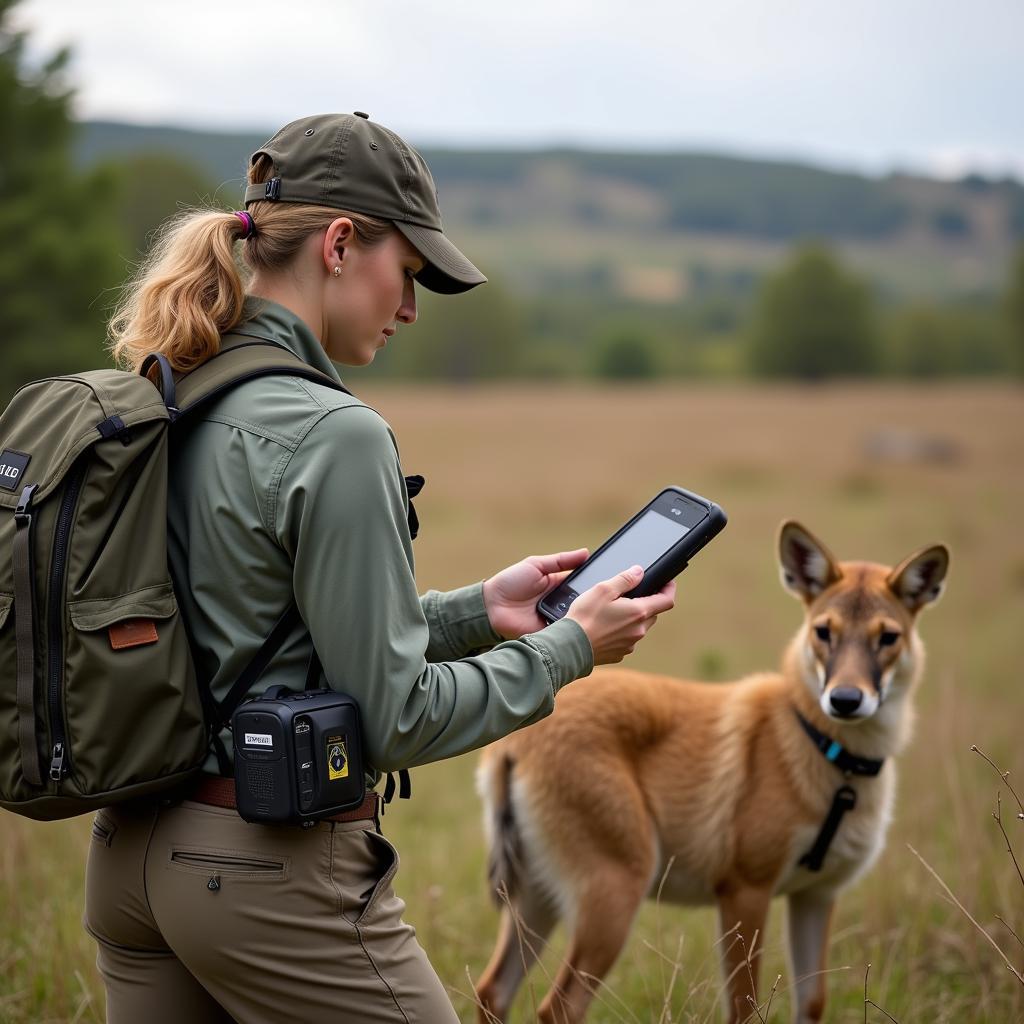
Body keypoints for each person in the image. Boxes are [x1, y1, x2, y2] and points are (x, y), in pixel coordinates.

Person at [84, 111, 676, 1023]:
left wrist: (481, 609)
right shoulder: (338, 434)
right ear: (340, 243)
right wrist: (571, 651)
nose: (409, 309)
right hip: (267, 871)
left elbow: (261, 629)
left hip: (128, 862)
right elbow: (393, 717)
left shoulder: (171, 387)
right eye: (407, 275)